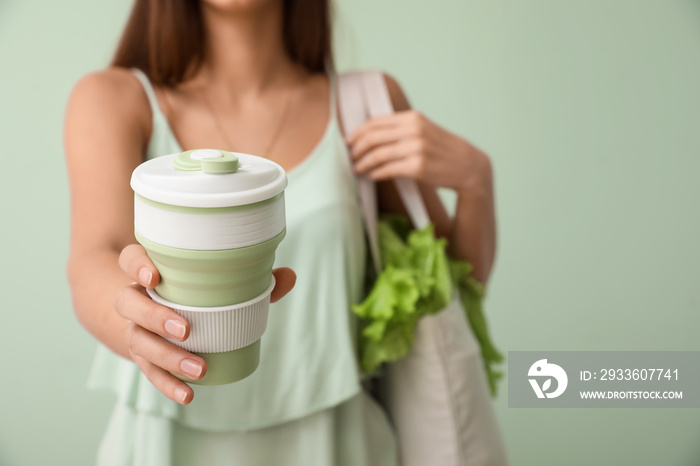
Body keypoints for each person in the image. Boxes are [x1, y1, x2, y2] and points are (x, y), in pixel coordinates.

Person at [64, 0, 497, 464]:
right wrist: (137, 326)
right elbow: (95, 255)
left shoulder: (366, 106)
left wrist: (477, 183)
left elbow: (447, 286)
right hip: (164, 441)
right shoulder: (114, 99)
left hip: (337, 442)